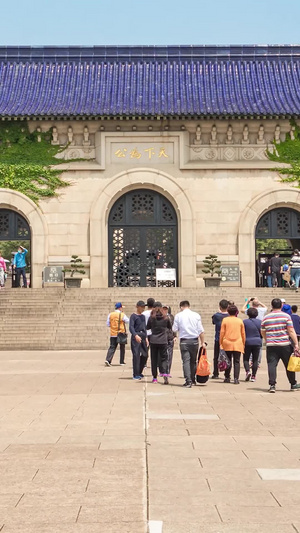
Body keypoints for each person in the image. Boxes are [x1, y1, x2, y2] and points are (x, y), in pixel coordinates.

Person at [261, 298, 300, 393]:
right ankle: (293, 384)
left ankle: (272, 385)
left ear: (272, 305)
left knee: (272, 365)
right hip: (284, 344)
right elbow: (291, 330)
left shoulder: (266, 317)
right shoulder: (286, 316)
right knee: (288, 365)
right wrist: (296, 344)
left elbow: (262, 331)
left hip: (271, 345)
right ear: (281, 306)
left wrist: (267, 339)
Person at [173, 301, 206, 388]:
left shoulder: (178, 316)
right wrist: (203, 342)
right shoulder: (196, 315)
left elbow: (174, 328)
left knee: (186, 361)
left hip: (184, 341)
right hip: (194, 341)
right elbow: (201, 330)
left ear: (181, 307)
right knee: (193, 361)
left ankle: (188, 381)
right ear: (189, 306)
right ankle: (193, 378)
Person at [219, 305, 246, 384]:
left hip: (227, 342)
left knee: (228, 360)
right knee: (237, 361)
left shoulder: (225, 320)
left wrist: (220, 343)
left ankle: (227, 377)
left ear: (228, 311)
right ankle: (236, 378)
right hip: (238, 342)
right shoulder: (240, 321)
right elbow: (243, 333)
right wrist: (243, 343)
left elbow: (222, 333)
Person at [147, 302, 172, 384]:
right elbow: (170, 327)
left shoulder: (152, 318)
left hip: (153, 340)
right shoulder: (166, 317)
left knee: (154, 359)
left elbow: (147, 327)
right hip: (163, 340)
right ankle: (165, 373)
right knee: (164, 358)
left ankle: (154, 377)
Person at [105, 302, 129, 367]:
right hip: (121, 333)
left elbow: (108, 324)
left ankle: (108, 360)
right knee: (122, 347)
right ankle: (121, 361)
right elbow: (127, 321)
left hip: (113, 333)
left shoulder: (110, 314)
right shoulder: (122, 315)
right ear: (120, 308)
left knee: (112, 347)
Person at [129, 301, 149, 380]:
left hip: (143, 336)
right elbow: (131, 327)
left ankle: (140, 371)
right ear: (137, 307)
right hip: (136, 336)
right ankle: (136, 373)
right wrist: (135, 335)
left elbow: (145, 327)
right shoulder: (133, 316)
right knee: (136, 355)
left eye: (144, 307)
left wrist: (146, 337)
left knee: (145, 355)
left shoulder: (143, 317)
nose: (143, 308)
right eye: (142, 307)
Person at [243, 307, 262, 382]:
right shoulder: (260, 322)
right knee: (255, 359)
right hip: (257, 342)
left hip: (247, 341)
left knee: (246, 358)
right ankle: (254, 376)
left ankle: (248, 371)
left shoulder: (244, 322)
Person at [211, 299, 229, 379]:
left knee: (216, 356)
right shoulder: (229, 316)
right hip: (227, 338)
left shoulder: (217, 316)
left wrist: (218, 312)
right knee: (228, 356)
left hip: (218, 338)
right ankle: (227, 375)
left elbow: (213, 322)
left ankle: (215, 373)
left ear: (220, 306)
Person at [162, 304, 176, 377]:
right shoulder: (159, 317)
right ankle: (163, 370)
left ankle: (167, 371)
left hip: (170, 337)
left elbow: (173, 327)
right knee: (163, 356)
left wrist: (175, 335)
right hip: (162, 338)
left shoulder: (171, 317)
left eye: (166, 309)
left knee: (169, 356)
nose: (165, 310)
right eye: (163, 309)